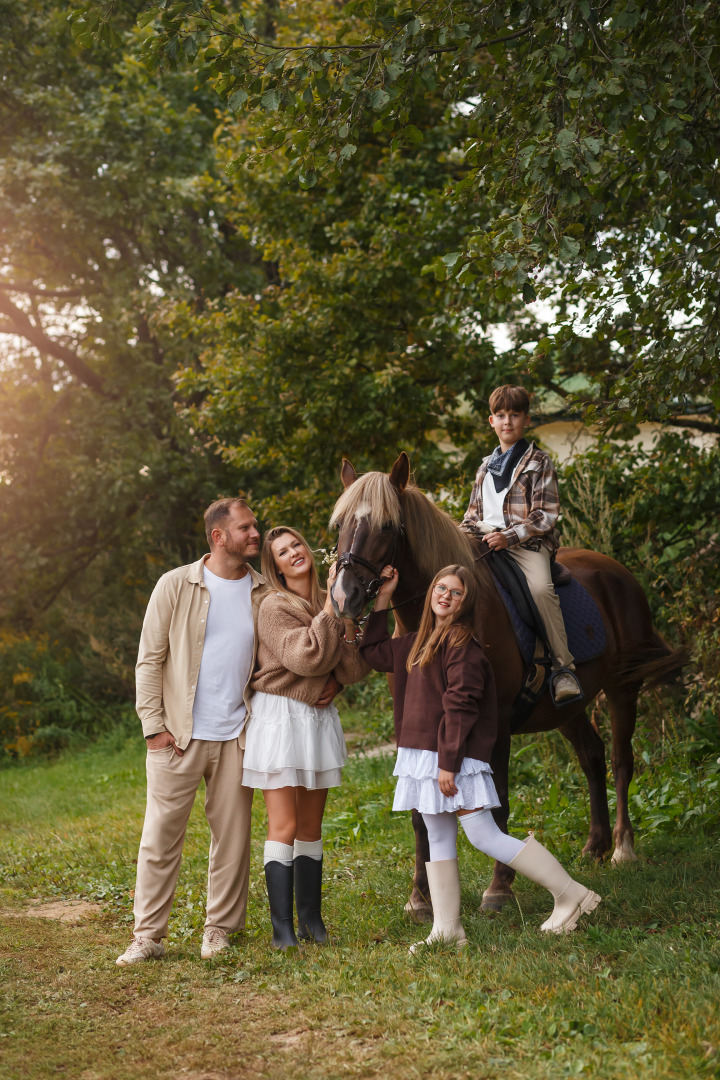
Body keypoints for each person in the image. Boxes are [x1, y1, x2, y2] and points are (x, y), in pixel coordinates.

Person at [360, 563, 601, 950]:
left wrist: (448, 762)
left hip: (450, 759)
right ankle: (447, 928)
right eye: (441, 587)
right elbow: (372, 652)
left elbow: (461, 706)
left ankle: (572, 893)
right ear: (430, 593)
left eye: (456, 593)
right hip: (423, 756)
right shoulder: (418, 642)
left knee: (484, 835)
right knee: (438, 836)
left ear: (465, 603)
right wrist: (383, 598)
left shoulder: (462, 645)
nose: (445, 595)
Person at [116, 497, 267, 966]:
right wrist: (153, 728)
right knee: (160, 837)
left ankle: (218, 930)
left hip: (237, 736)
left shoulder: (264, 592)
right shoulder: (175, 584)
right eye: (245, 528)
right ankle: (148, 936)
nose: (255, 534)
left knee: (233, 838)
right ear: (218, 536)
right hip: (177, 737)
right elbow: (149, 659)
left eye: (255, 526)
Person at [243, 526, 369, 950]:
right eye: (282, 551)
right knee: (285, 823)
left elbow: (351, 670)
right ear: (275, 567)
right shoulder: (274, 606)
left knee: (311, 825)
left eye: (296, 544)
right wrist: (335, 608)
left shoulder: (324, 601)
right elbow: (307, 657)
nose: (294, 552)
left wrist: (336, 609)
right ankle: (281, 930)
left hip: (316, 721)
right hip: (280, 718)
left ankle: (311, 919)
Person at [459, 384, 582, 704]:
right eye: (501, 415)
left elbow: (546, 514)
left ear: (526, 420)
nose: (507, 421)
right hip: (484, 539)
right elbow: (472, 513)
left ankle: (563, 669)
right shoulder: (485, 466)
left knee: (541, 589)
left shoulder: (539, 462)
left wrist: (509, 536)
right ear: (491, 421)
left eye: (514, 415)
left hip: (527, 545)